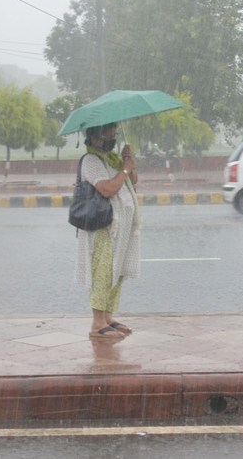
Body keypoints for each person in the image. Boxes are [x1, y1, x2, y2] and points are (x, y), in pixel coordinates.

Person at [76, 122, 140, 339]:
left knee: (117, 271)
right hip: (104, 226)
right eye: (108, 131)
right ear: (94, 137)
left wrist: (129, 164)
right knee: (103, 272)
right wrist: (124, 169)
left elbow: (132, 182)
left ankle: (108, 317)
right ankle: (97, 323)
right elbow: (107, 189)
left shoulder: (112, 158)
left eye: (113, 130)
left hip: (120, 226)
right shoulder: (90, 160)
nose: (113, 134)